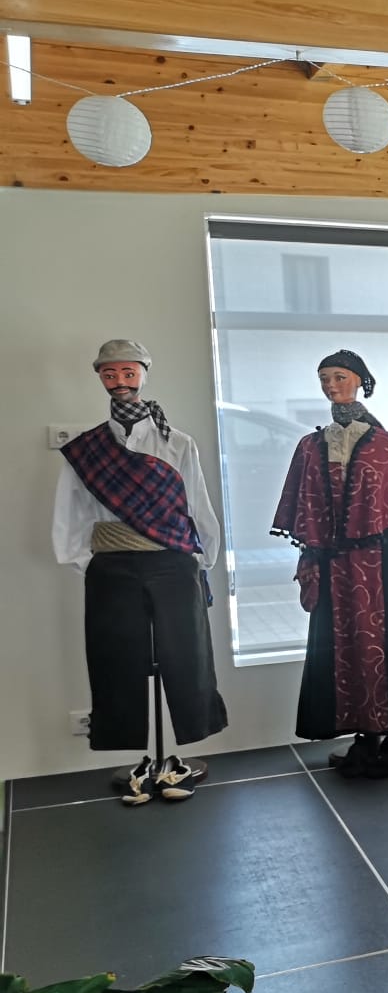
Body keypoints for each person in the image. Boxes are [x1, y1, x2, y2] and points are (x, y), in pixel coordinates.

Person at [52, 338, 228, 804]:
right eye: (110, 374)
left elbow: (198, 506)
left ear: (144, 374)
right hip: (112, 567)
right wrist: (89, 564)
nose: (120, 382)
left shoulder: (179, 442)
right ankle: (140, 758)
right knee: (114, 657)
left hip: (173, 562)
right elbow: (70, 515)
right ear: (100, 379)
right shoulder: (86, 449)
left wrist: (202, 559)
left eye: (128, 373)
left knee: (187, 653)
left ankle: (179, 756)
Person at [271, 350, 388, 779]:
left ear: (360, 381)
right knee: (338, 643)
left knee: (387, 640)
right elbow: (302, 502)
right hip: (333, 563)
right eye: (324, 377)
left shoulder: (385, 444)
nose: (331, 385)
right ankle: (361, 733)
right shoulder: (310, 446)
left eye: (339, 377)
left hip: (380, 564)